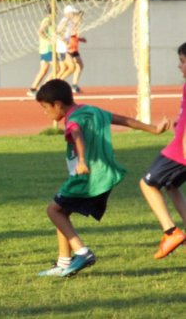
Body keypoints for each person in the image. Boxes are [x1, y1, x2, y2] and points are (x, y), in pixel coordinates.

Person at [35, 79, 169, 277]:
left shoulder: (72, 120)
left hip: (88, 178)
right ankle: (64, 263)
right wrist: (153, 129)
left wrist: (81, 160)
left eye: (46, 108)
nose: (46, 113)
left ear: (57, 104)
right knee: (62, 212)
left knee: (53, 210)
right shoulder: (91, 111)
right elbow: (122, 119)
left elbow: (77, 133)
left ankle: (82, 252)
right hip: (103, 176)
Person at [139, 42, 186, 259]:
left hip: (179, 150)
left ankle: (171, 232)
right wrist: (178, 124)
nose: (179, 67)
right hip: (179, 145)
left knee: (147, 183)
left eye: (182, 62)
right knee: (171, 185)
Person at [27, 6, 55, 97]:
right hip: (48, 48)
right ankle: (43, 89)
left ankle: (33, 89)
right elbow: (40, 31)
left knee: (43, 70)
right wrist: (49, 40)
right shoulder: (48, 20)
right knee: (57, 68)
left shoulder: (47, 20)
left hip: (44, 48)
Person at [57, 5, 86, 93]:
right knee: (71, 67)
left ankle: (58, 84)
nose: (73, 14)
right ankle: (56, 84)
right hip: (62, 48)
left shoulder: (69, 22)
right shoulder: (65, 21)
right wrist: (64, 41)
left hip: (65, 48)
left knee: (67, 68)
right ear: (68, 13)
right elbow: (58, 32)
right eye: (72, 13)